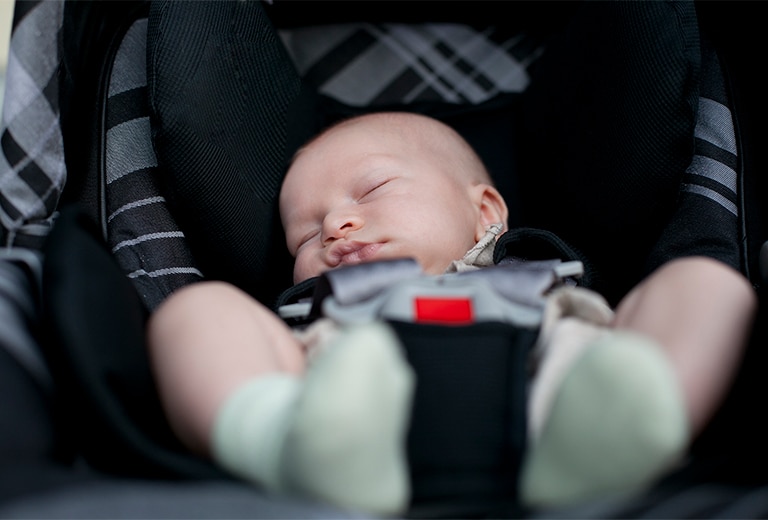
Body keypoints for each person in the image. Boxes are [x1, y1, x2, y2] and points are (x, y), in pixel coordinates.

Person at [146, 112, 757, 515]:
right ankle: (277, 440)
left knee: (705, 282)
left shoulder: (540, 271)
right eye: (302, 237)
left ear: (486, 211)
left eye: (373, 190)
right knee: (197, 311)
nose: (335, 226)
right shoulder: (310, 316)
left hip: (565, 390)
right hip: (338, 409)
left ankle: (628, 426)